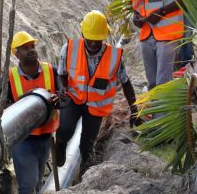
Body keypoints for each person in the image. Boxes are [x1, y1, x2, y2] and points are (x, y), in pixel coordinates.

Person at [55, 10, 142, 170]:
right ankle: (60, 145)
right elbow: (61, 74)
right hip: (73, 99)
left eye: (98, 40)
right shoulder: (69, 49)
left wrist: (134, 109)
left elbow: (126, 83)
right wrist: (61, 88)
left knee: (87, 142)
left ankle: (85, 169)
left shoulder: (114, 56)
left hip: (96, 106)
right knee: (65, 129)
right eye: (90, 39)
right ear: (82, 33)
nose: (94, 44)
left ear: (105, 35)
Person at [6, 31, 59, 194]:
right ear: (16, 53)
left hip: (45, 136)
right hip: (23, 139)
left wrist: (61, 100)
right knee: (28, 187)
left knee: (37, 183)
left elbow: (65, 96)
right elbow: (4, 107)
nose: (31, 50)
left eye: (32, 46)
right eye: (25, 48)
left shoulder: (52, 71)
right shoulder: (9, 78)